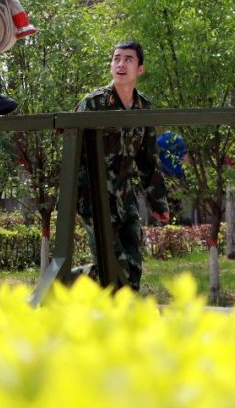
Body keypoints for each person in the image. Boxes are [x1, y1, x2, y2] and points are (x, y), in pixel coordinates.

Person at [74, 40, 170, 291]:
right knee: (115, 267)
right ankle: (71, 282)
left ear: (140, 69)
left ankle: (90, 286)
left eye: (128, 59)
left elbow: (148, 159)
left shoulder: (144, 108)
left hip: (124, 197)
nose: (121, 64)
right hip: (94, 198)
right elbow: (72, 153)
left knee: (134, 268)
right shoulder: (93, 104)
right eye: (116, 58)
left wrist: (158, 201)